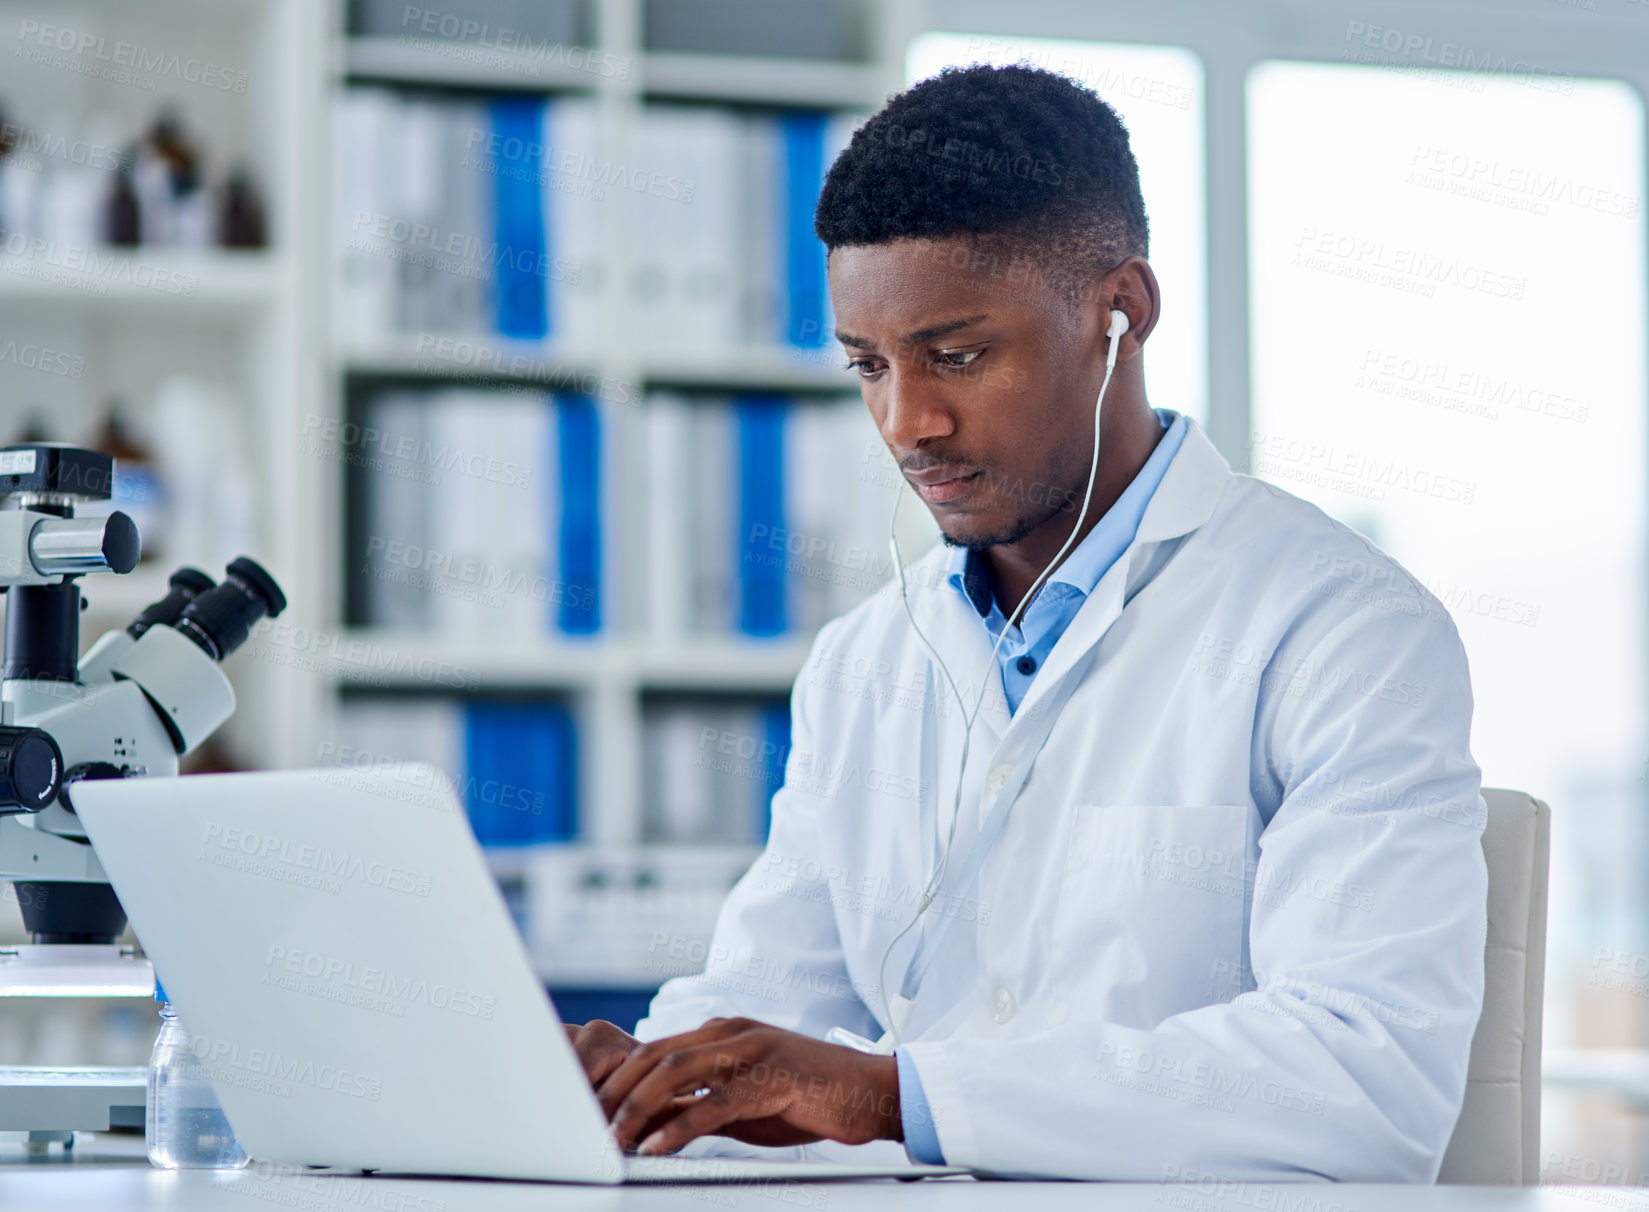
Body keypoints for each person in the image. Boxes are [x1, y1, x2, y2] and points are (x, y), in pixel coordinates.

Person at [565, 63, 1488, 1182]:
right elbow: (773, 993)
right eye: (868, 366)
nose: (908, 422)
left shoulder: (1344, 630)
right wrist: (646, 1072)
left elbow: (1363, 1078)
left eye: (957, 355)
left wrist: (888, 1095)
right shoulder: (866, 660)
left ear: (1121, 313)